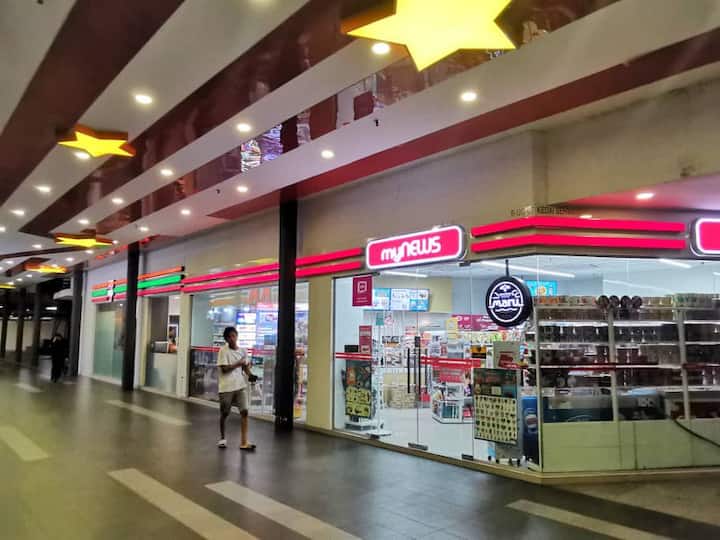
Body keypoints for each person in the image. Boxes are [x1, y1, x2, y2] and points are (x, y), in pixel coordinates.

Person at [217, 326, 257, 450]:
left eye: (233, 336)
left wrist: (250, 375)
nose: (232, 339)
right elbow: (224, 369)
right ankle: (222, 438)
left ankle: (244, 442)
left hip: (240, 386)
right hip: (226, 387)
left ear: (237, 336)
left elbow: (245, 367)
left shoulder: (243, 351)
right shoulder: (223, 351)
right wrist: (238, 364)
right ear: (226, 339)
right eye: (229, 337)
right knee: (225, 413)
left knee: (244, 411)